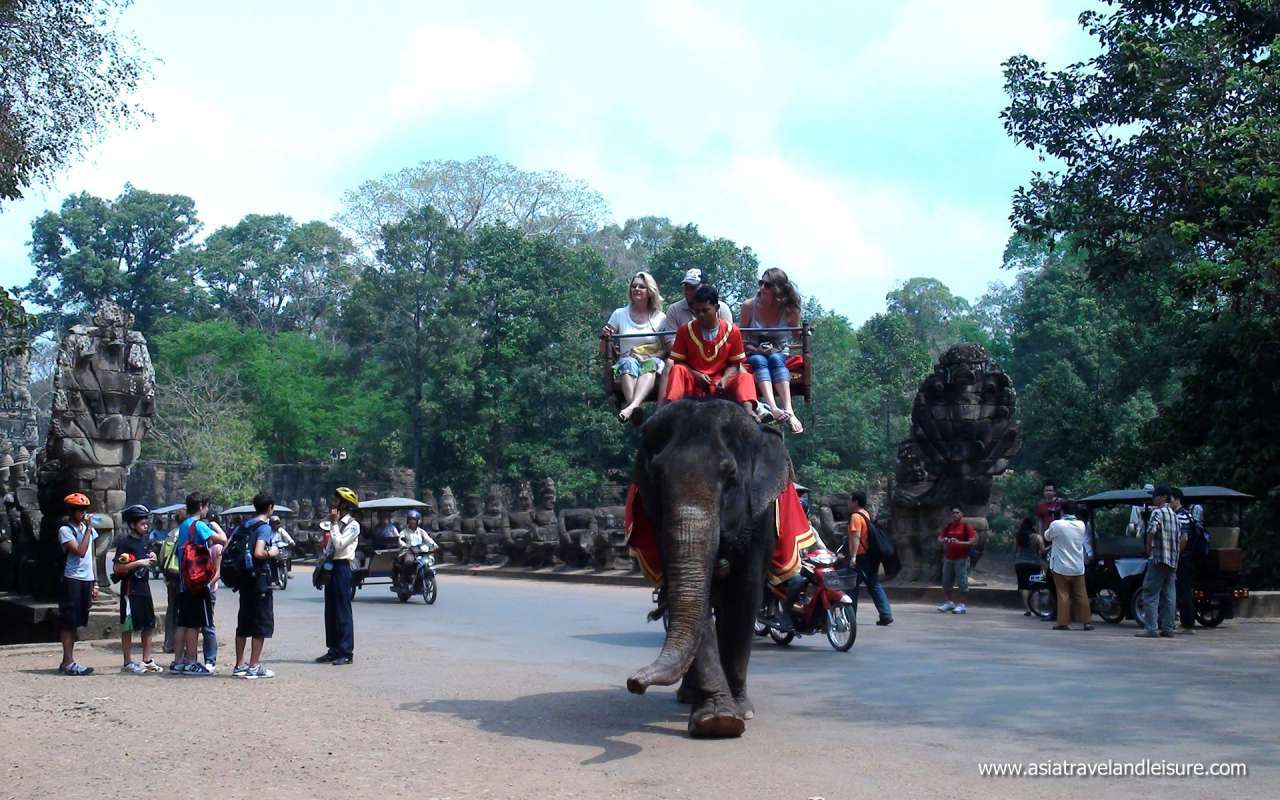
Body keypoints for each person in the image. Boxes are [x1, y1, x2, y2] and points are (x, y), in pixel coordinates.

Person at [663, 284, 760, 418]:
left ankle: (749, 409)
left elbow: (735, 364)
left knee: (745, 376)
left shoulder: (733, 332)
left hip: (721, 380)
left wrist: (725, 379)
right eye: (697, 311)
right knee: (677, 369)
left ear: (716, 308)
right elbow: (679, 361)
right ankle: (671, 409)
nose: (701, 315)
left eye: (705, 310)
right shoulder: (685, 331)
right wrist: (696, 374)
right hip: (694, 379)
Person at [739, 268, 803, 433]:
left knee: (775, 359)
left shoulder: (789, 309)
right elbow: (742, 338)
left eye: (767, 285)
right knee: (760, 361)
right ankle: (773, 407)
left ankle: (789, 409)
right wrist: (755, 349)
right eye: (761, 283)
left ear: (777, 289)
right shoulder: (748, 306)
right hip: (753, 350)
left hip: (779, 350)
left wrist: (802, 332)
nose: (762, 288)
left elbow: (797, 335)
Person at [171, 493, 227, 675]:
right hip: (196, 581)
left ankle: (178, 661)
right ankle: (191, 661)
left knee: (183, 623)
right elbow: (223, 540)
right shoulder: (199, 525)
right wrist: (216, 525)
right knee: (195, 624)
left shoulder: (184, 525)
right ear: (201, 506)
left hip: (183, 581)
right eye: (207, 506)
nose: (207, 510)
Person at [601, 271, 668, 423]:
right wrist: (605, 337)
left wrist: (650, 357)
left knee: (650, 364)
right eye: (634, 286)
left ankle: (631, 407)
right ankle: (635, 406)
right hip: (628, 361)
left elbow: (667, 348)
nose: (636, 289)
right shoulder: (619, 314)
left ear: (650, 291)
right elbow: (604, 349)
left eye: (642, 287)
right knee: (627, 363)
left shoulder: (660, 317)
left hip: (652, 360)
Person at [233, 493, 278, 679]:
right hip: (259, 581)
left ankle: (239, 664)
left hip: (244, 580)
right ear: (269, 508)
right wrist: (272, 552)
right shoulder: (264, 528)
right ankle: (253, 666)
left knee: (243, 623)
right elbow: (259, 552)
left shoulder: (245, 525)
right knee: (261, 624)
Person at [114, 505, 163, 674]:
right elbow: (117, 568)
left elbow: (150, 557)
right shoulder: (124, 542)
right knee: (128, 626)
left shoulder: (146, 540)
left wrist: (152, 557)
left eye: (146, 523)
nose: (146, 526)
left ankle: (146, 660)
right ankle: (127, 661)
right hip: (130, 590)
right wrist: (138, 563)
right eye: (143, 524)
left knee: (149, 624)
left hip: (144, 588)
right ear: (132, 525)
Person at [318, 487, 360, 665]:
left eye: (335, 501)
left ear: (344, 504)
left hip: (343, 567)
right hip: (331, 567)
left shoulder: (352, 525)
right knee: (330, 610)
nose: (332, 504)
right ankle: (333, 650)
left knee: (342, 610)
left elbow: (340, 544)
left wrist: (334, 524)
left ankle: (346, 652)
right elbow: (329, 547)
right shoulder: (332, 522)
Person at [56, 492, 98, 675]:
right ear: (71, 511)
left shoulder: (86, 529)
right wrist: (88, 529)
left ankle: (69, 661)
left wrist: (95, 582)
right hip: (72, 579)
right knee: (68, 621)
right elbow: (80, 551)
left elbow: (92, 556)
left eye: (85, 510)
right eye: (80, 510)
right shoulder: (65, 530)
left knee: (78, 621)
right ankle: (67, 661)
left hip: (86, 580)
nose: (83, 513)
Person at [1136, 485, 1184, 639]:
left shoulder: (1157, 512)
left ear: (1163, 497)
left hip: (1158, 559)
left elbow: (1151, 531)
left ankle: (1151, 628)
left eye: (1155, 496)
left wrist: (1148, 549)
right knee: (1169, 595)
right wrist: (1176, 553)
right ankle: (1168, 628)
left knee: (1150, 593)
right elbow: (1184, 538)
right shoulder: (1175, 516)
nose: (1153, 499)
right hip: (1172, 560)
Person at [1043, 501, 1092, 631]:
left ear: (1062, 511)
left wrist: (1054, 520)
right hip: (1077, 566)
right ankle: (1087, 622)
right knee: (1081, 594)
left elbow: (1047, 536)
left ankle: (1063, 623)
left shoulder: (1057, 524)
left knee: (1063, 594)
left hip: (1061, 566)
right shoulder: (1081, 525)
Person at [848, 491, 892, 626]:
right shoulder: (865, 514)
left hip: (861, 557)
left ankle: (849, 617)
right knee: (874, 584)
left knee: (851, 587)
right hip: (871, 556)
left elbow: (856, 537)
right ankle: (885, 614)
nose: (848, 503)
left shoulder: (855, 516)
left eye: (850, 500)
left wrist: (853, 556)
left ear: (855, 501)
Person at [1171, 488, 1203, 635]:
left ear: (1177, 499)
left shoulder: (1181, 515)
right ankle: (1187, 622)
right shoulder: (1188, 514)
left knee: (1184, 591)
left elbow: (1184, 538)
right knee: (1186, 590)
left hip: (1183, 558)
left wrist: (1177, 553)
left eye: (1169, 499)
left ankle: (1187, 624)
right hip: (1188, 558)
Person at [937, 508, 975, 614]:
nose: (955, 514)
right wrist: (944, 540)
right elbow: (940, 538)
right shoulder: (948, 526)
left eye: (957, 512)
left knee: (962, 582)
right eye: (953, 513)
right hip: (949, 558)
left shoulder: (967, 527)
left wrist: (959, 542)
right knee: (946, 582)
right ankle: (949, 603)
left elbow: (972, 542)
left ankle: (962, 605)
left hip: (962, 558)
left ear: (962, 514)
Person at [159, 509, 185, 654]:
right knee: (184, 611)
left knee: (172, 609)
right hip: (183, 577)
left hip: (171, 577)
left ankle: (168, 643)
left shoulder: (170, 535)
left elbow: (162, 558)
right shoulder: (187, 533)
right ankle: (182, 645)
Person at [1013, 517, 1045, 616]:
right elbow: (1042, 551)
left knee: (1023, 586)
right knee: (1035, 586)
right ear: (1033, 526)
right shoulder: (1037, 537)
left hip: (1020, 564)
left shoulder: (1019, 537)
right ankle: (1035, 609)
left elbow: (1016, 551)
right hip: (1033, 564)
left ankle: (1028, 609)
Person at [396, 509, 438, 579]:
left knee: (429, 560)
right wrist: (404, 545)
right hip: (409, 551)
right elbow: (400, 540)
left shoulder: (421, 531)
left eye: (414, 520)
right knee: (409, 561)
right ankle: (405, 578)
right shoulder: (404, 531)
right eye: (410, 520)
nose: (412, 522)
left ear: (418, 521)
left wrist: (434, 545)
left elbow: (428, 539)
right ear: (408, 521)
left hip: (420, 551)